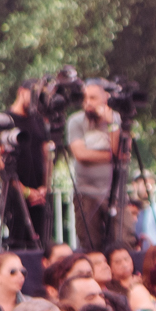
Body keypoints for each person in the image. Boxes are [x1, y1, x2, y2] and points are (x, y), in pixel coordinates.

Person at [61, 80, 128, 251]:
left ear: (105, 98)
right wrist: (112, 156)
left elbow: (121, 152)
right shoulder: (75, 121)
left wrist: (111, 124)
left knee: (124, 240)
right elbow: (81, 154)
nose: (88, 103)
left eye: (93, 98)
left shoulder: (117, 119)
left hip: (114, 193)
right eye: (85, 98)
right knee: (91, 244)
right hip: (86, 193)